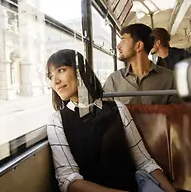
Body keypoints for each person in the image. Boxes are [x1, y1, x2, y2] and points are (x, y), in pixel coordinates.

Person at [46, 49, 176, 192]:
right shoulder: (57, 121)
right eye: (50, 76)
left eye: (61, 70)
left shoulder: (118, 109)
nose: (55, 81)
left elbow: (144, 162)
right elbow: (68, 180)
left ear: (79, 70)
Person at [103, 24, 178, 104]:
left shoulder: (170, 79)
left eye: (123, 40)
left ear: (139, 46)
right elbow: (103, 112)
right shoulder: (114, 80)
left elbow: (177, 114)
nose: (118, 46)